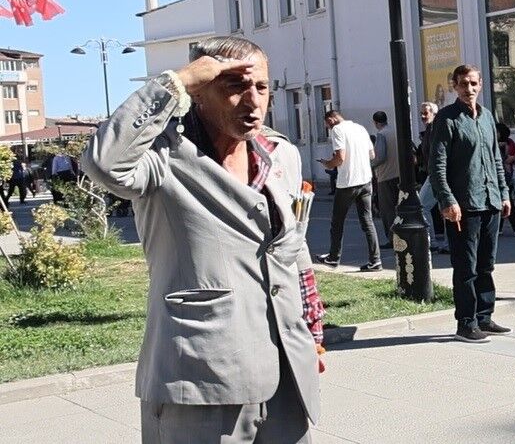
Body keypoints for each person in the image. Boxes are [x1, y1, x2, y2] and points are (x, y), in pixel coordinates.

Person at [81, 36, 321, 443]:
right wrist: (175, 82)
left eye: (262, 87)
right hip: (201, 379)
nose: (253, 101)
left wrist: (312, 331)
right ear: (199, 92)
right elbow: (103, 164)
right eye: (234, 86)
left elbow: (292, 247)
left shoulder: (279, 153)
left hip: (285, 374)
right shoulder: (162, 157)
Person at [429, 64, 513, 343]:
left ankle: (484, 317)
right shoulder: (447, 118)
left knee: (486, 265)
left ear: (481, 85)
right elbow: (437, 164)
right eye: (463, 84)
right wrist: (447, 200)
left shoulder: (487, 116)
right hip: (463, 205)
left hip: (490, 201)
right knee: (467, 267)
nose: (469, 89)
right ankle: (466, 323)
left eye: (473, 83)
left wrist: (504, 193)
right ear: (455, 86)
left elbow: (495, 158)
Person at [315, 110, 382, 272]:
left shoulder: (338, 130)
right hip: (365, 181)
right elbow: (372, 155)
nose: (329, 128)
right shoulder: (360, 128)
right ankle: (375, 261)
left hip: (347, 183)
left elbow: (340, 158)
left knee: (337, 222)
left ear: (332, 119)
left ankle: (333, 257)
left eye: (328, 125)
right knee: (367, 221)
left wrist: (328, 164)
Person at [415, 101, 448, 254]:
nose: (423, 116)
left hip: (438, 173)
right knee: (444, 207)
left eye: (425, 113)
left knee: (422, 206)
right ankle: (444, 243)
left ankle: (432, 241)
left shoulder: (436, 128)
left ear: (434, 114)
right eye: (421, 113)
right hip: (435, 173)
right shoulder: (430, 129)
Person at [372, 110, 400, 248]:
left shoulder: (381, 134)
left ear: (375, 122)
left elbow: (380, 156)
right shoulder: (395, 131)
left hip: (385, 175)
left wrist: (370, 165)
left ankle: (392, 238)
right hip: (399, 174)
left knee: (388, 210)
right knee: (399, 207)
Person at [496, 122, 515, 236]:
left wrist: (509, 157)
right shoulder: (495, 143)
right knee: (504, 201)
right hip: (501, 176)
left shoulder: (507, 143)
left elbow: (512, 157)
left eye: (497, 131)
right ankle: (505, 228)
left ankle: (514, 228)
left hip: (505, 176)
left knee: (506, 200)